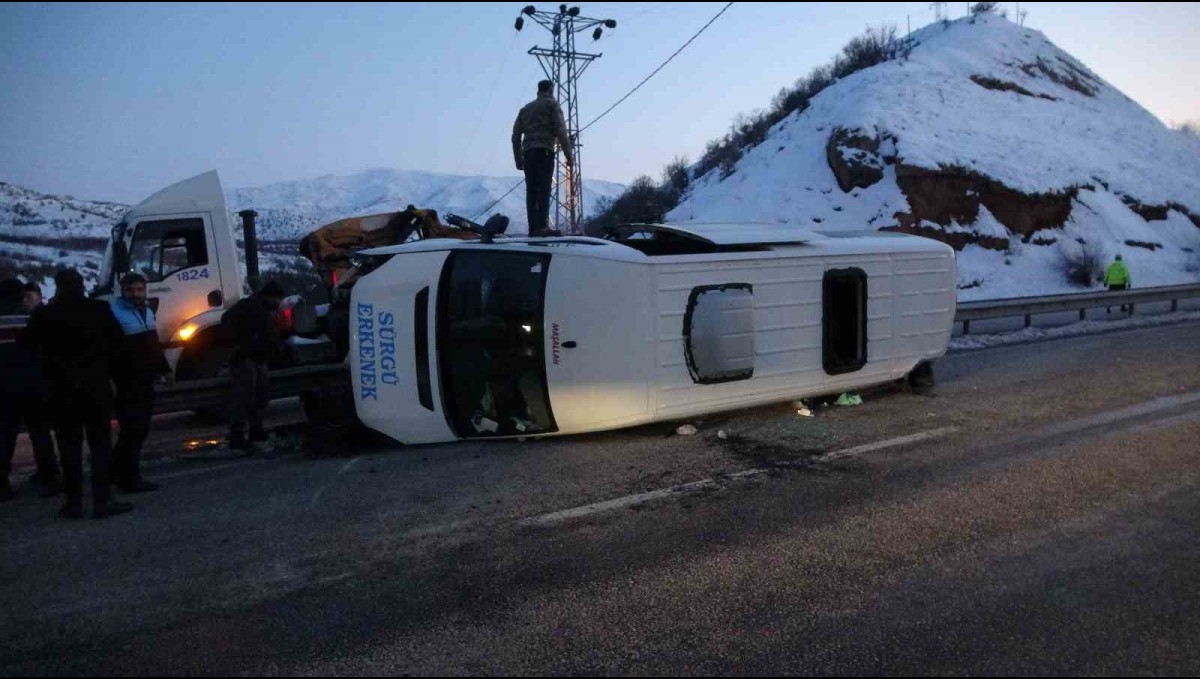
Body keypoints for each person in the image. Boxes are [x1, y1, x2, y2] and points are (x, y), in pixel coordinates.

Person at [21, 270, 132, 519]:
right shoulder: (99, 310)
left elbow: (27, 348)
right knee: (100, 446)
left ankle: (73, 503)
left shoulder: (44, 314)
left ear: (58, 288)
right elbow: (118, 346)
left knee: (69, 448)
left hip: (60, 392)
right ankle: (102, 500)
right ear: (82, 286)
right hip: (96, 389)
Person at [108, 273, 170, 493]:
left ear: (145, 291)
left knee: (138, 430)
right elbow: (110, 351)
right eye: (130, 290)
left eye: (138, 289)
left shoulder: (147, 311)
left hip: (146, 380)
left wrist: (164, 370)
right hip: (127, 382)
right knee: (133, 430)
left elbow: (153, 343)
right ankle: (129, 478)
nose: (134, 294)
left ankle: (115, 472)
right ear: (122, 291)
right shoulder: (113, 314)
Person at [1, 279, 62, 501]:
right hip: (34, 384)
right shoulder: (32, 318)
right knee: (40, 433)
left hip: (3, 387)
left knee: (5, 436)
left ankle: (2, 485)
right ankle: (49, 477)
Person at [222, 280, 286, 450]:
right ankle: (238, 436)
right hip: (245, 359)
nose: (279, 304)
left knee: (259, 397)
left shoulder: (261, 309)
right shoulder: (249, 306)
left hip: (257, 359)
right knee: (245, 398)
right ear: (271, 297)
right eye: (278, 299)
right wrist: (240, 344)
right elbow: (226, 320)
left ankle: (255, 431)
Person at [512, 79, 574, 237]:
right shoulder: (552, 105)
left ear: (538, 90)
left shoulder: (525, 109)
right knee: (544, 189)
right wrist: (569, 155)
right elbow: (561, 131)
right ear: (551, 90)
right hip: (544, 152)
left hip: (528, 154)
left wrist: (518, 159)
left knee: (531, 191)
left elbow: (515, 136)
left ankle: (533, 228)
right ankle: (543, 226)